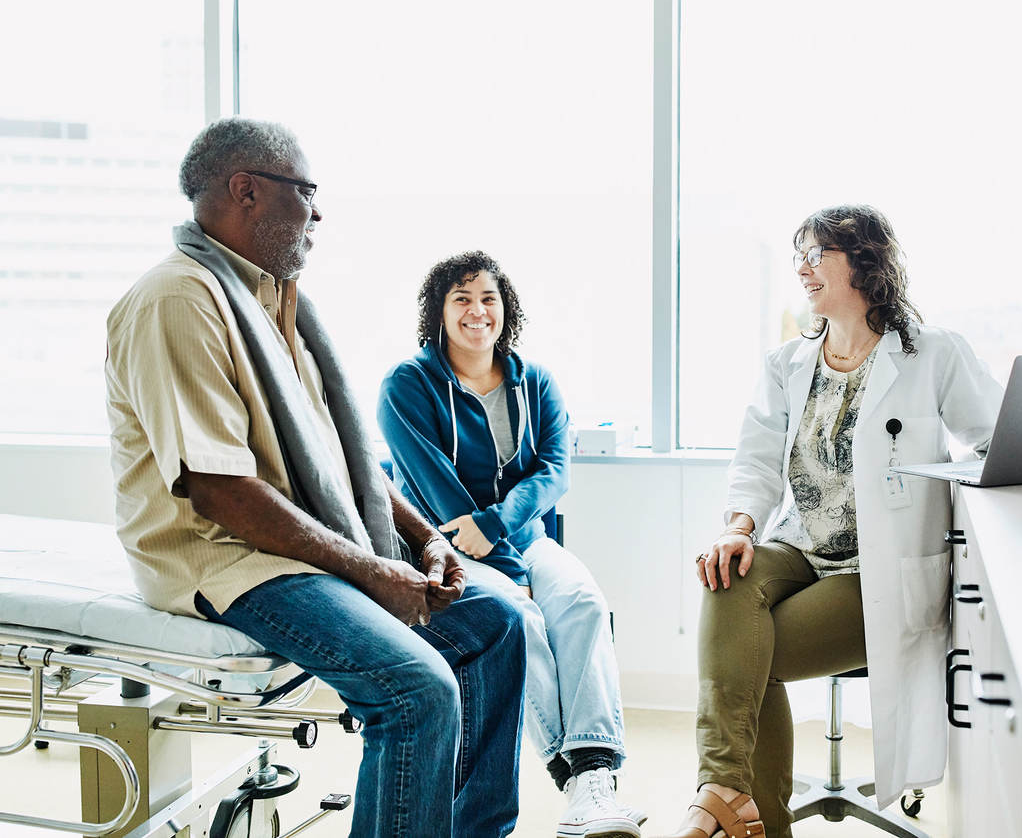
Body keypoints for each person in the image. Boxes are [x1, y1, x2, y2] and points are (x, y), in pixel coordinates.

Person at [105, 118, 526, 838]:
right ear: (246, 192)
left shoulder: (281, 307)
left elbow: (343, 461)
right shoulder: (179, 300)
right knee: (416, 691)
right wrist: (369, 570)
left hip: (297, 546)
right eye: (306, 191)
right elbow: (220, 491)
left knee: (498, 623)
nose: (318, 212)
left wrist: (426, 542)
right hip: (229, 559)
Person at [659, 205, 1003, 838]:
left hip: (876, 567)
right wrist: (739, 525)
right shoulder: (788, 363)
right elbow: (757, 460)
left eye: (817, 255)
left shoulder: (932, 355)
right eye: (800, 255)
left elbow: (997, 441)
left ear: (865, 263)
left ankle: (727, 802)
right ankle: (727, 791)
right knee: (726, 575)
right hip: (799, 544)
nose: (802, 269)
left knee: (744, 658)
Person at [378, 251, 644, 838]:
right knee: (518, 618)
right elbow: (432, 489)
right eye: (462, 299)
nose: (478, 311)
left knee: (581, 603)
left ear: (507, 309)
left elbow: (554, 470)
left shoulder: (536, 380)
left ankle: (594, 777)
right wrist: (499, 558)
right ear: (438, 311)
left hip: (524, 538)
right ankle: (569, 770)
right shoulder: (407, 385)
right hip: (442, 549)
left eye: (489, 298)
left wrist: (500, 528)